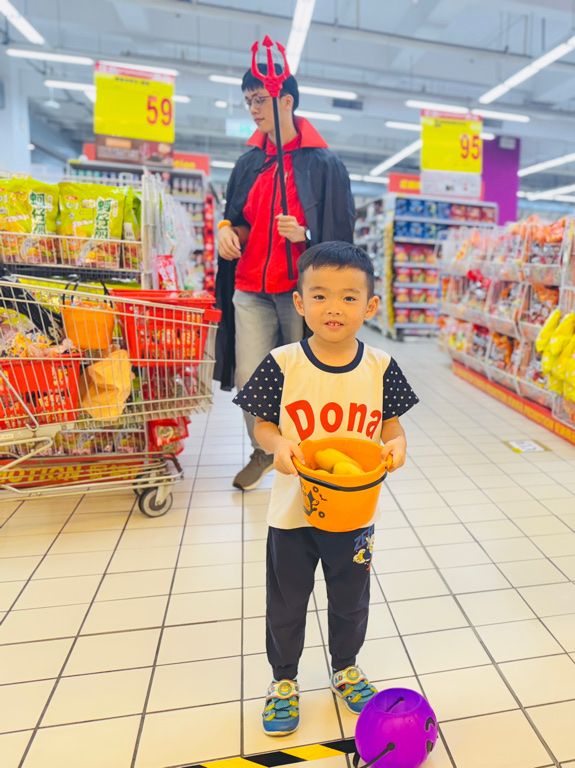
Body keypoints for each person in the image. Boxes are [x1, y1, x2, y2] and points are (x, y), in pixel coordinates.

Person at [233, 242, 418, 736]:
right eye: (319, 295)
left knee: (351, 596)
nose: (333, 307)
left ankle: (345, 668)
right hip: (292, 512)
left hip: (354, 513)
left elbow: (393, 426)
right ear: (299, 302)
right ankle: (283, 680)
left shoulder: (380, 366)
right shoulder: (283, 362)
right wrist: (277, 444)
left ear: (370, 306)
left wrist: (398, 445)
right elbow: (263, 425)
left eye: (348, 297)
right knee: (287, 600)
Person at [216, 62, 356, 491]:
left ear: (287, 101)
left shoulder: (323, 164)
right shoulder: (249, 163)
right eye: (248, 101)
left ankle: (306, 454)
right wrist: (226, 231)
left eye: (260, 99)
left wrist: (306, 235)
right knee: (250, 377)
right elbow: (237, 217)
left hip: (300, 293)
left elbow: (341, 234)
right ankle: (264, 450)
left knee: (303, 378)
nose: (253, 109)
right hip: (249, 289)